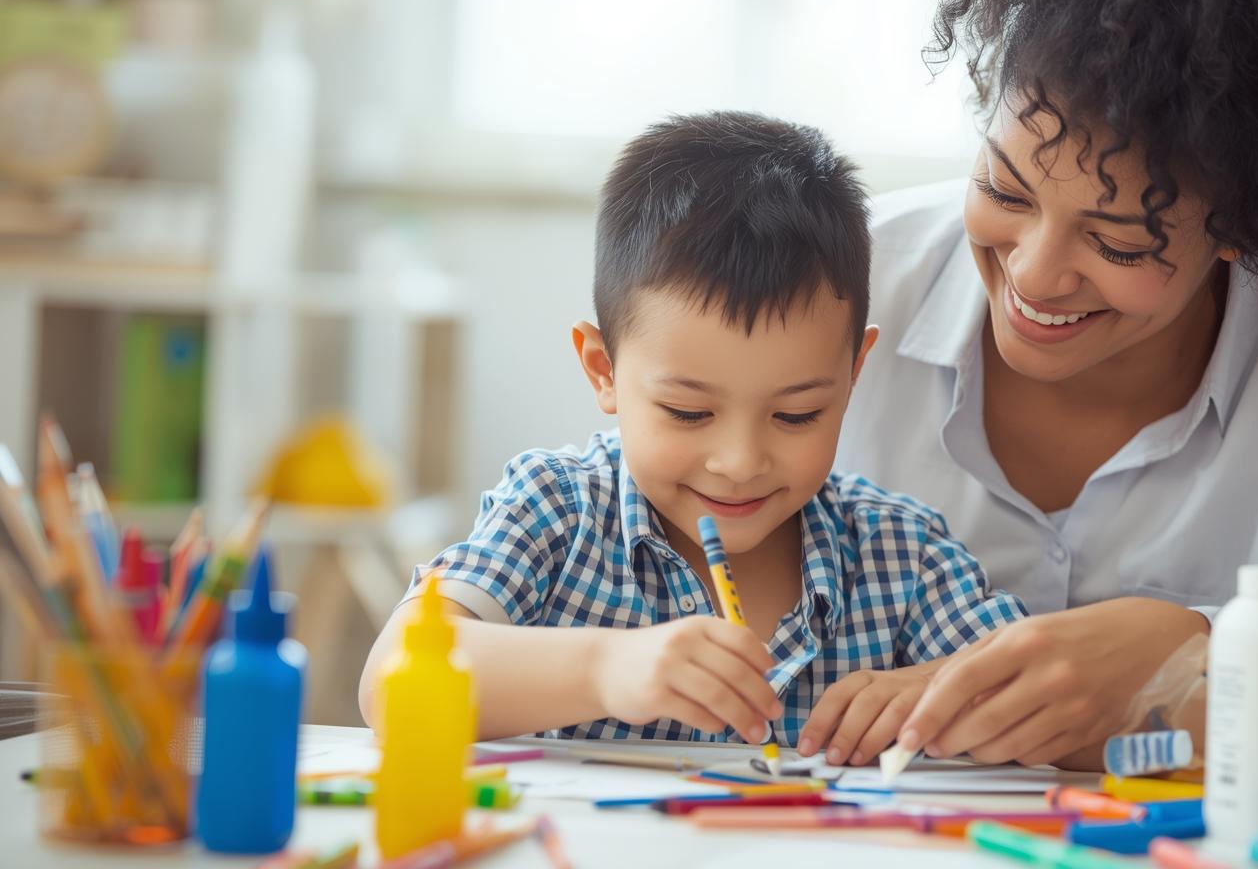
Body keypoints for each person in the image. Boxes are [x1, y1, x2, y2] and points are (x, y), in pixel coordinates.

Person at [801, 0, 1258, 770]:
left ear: (1245, 224)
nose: (1033, 274)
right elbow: (631, 519)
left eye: (1119, 243)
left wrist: (1200, 675)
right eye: (1004, 189)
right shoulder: (845, 275)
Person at [357, 111, 1024, 746]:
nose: (738, 461)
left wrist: (939, 690)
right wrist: (602, 669)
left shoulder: (899, 557)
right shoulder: (556, 510)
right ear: (603, 371)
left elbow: (1056, 706)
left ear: (853, 375)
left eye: (796, 415)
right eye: (688, 412)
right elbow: (391, 682)